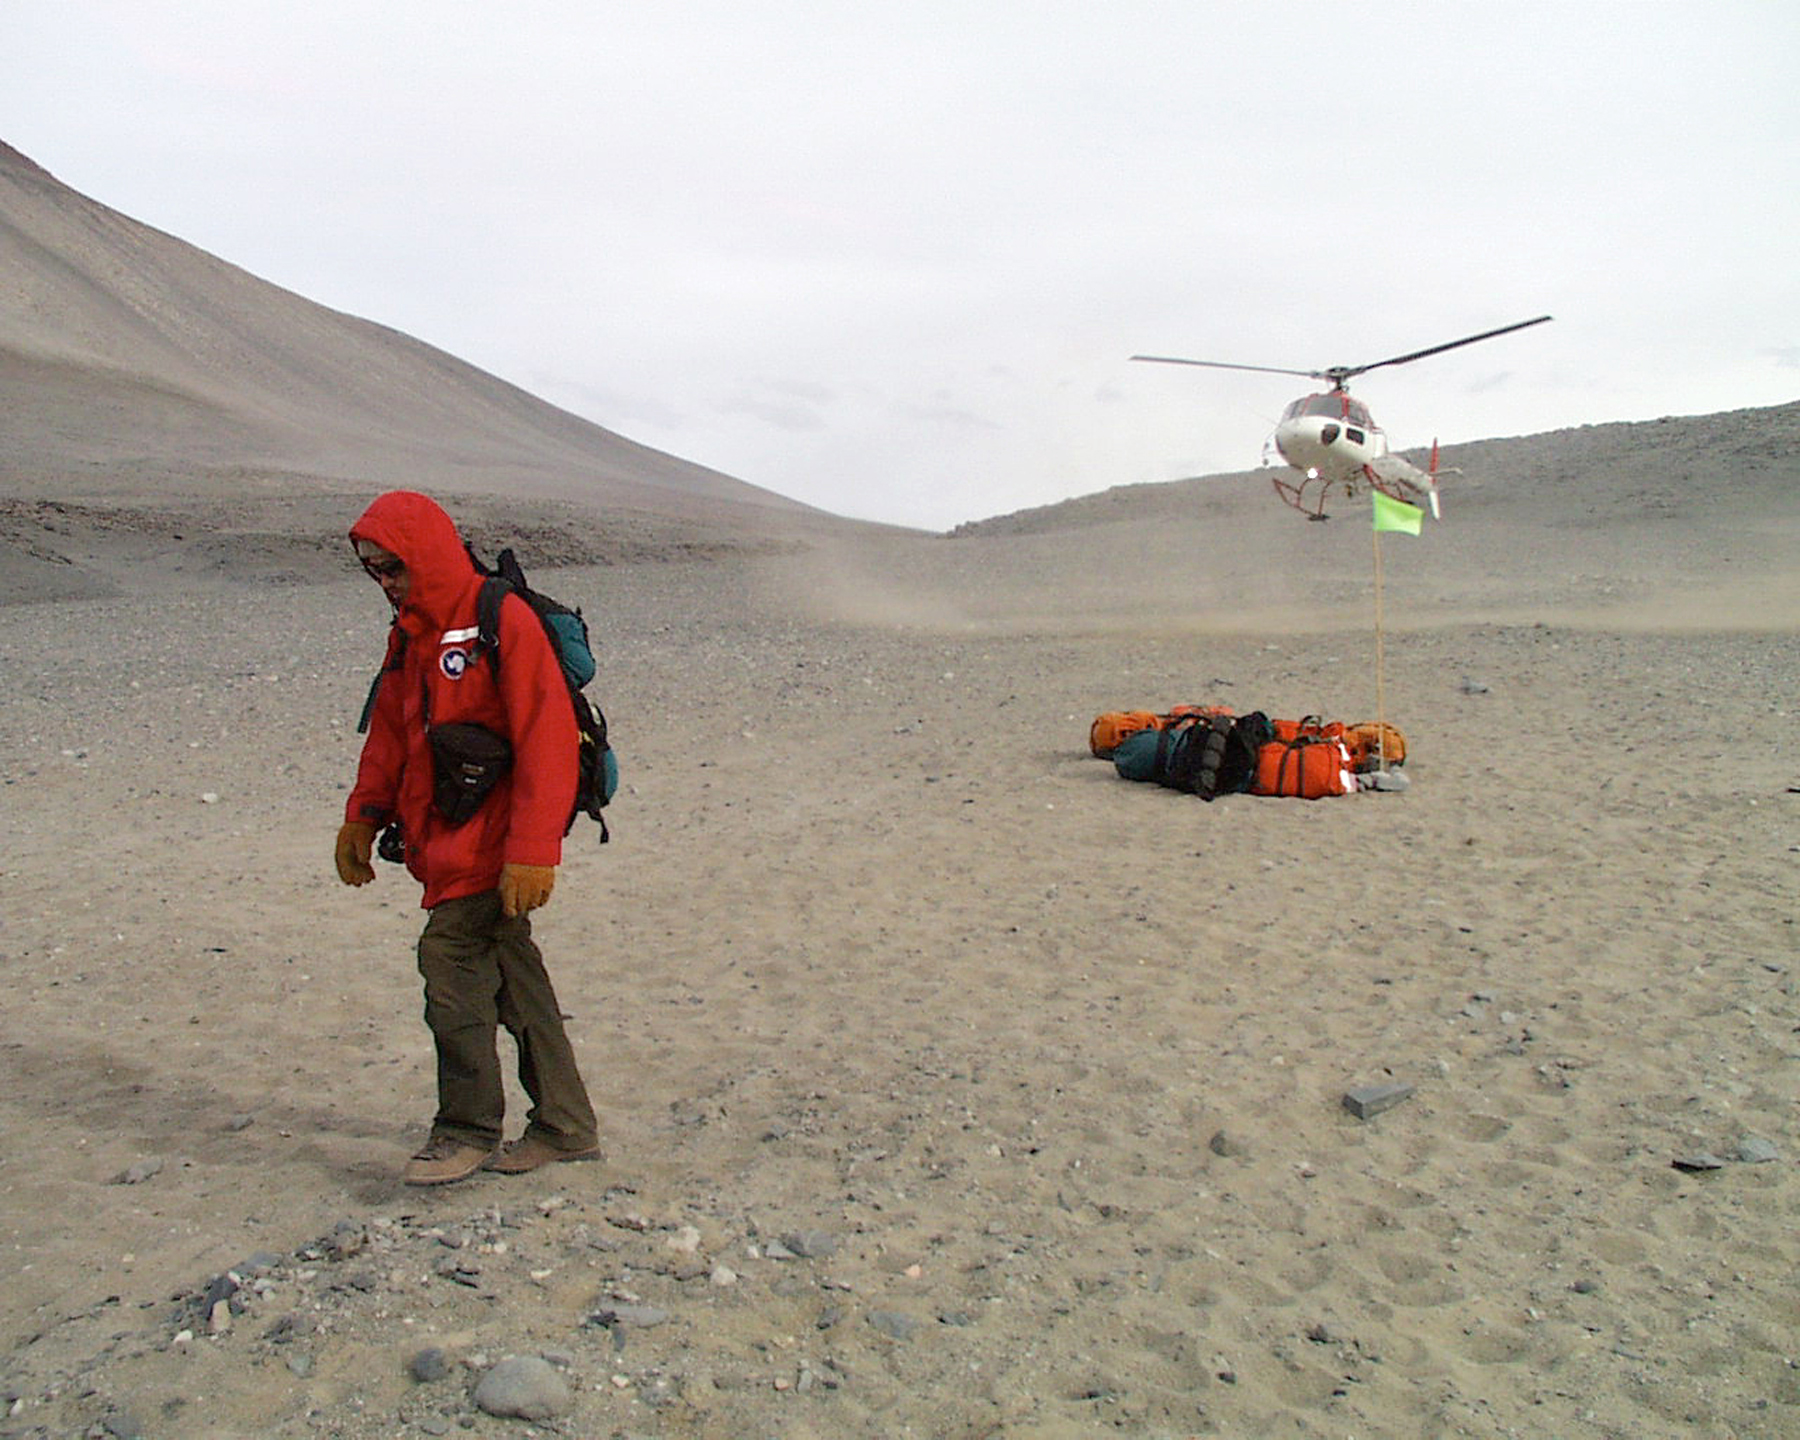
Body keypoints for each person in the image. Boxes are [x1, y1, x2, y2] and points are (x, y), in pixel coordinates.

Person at [333, 490, 602, 1186]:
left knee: (449, 969)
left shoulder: (498, 619)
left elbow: (546, 738)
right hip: (444, 843)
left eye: (393, 565)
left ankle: (465, 1130)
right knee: (518, 988)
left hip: (490, 849)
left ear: (423, 553)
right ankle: (565, 1126)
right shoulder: (412, 635)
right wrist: (363, 815)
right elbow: (393, 733)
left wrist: (534, 849)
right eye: (373, 571)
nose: (385, 581)